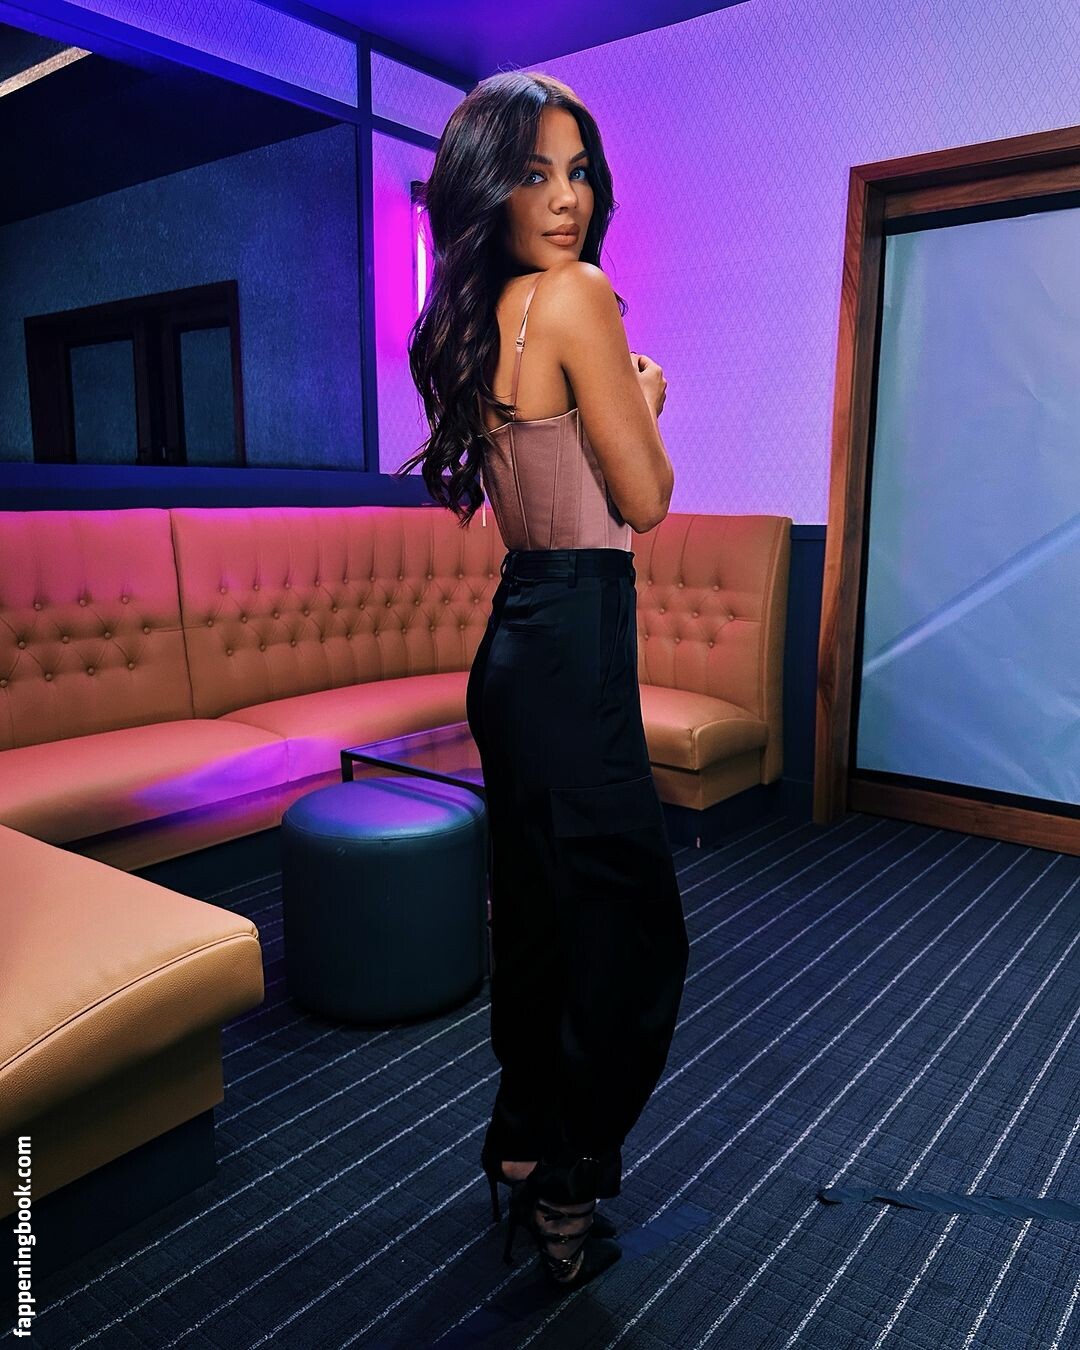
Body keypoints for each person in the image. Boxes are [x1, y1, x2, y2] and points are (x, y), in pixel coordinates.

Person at [397, 71, 690, 1294]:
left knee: (536, 917)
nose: (566, 198)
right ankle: (567, 1187)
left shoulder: (488, 314)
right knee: (632, 938)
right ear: (488, 188)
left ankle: (522, 1144)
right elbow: (646, 499)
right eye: (533, 173)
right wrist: (648, 400)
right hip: (572, 652)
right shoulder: (576, 296)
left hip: (517, 648)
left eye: (578, 172)